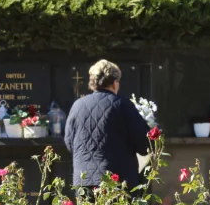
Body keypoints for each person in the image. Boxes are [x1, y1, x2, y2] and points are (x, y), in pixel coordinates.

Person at [64, 59, 151, 197]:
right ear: (114, 82)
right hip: (116, 180)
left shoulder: (77, 106)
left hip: (84, 180)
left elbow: (70, 142)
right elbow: (144, 142)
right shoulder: (122, 105)